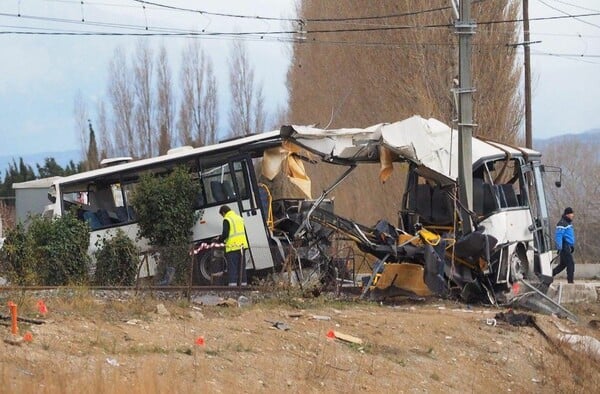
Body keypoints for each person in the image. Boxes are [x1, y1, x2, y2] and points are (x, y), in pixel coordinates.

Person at [216, 205, 249, 286]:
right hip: (242, 246)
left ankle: (232, 285)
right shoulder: (239, 218)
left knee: (232, 267)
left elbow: (225, 234)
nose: (222, 216)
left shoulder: (227, 219)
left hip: (232, 247)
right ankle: (243, 284)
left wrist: (219, 239)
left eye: (222, 215)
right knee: (241, 266)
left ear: (223, 212)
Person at [553, 207, 576, 284]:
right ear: (567, 214)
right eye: (571, 213)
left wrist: (571, 246)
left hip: (568, 246)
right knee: (570, 264)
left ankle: (551, 274)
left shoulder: (568, 223)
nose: (573, 215)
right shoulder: (562, 223)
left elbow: (569, 236)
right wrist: (559, 247)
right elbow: (558, 236)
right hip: (564, 246)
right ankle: (570, 281)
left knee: (563, 264)